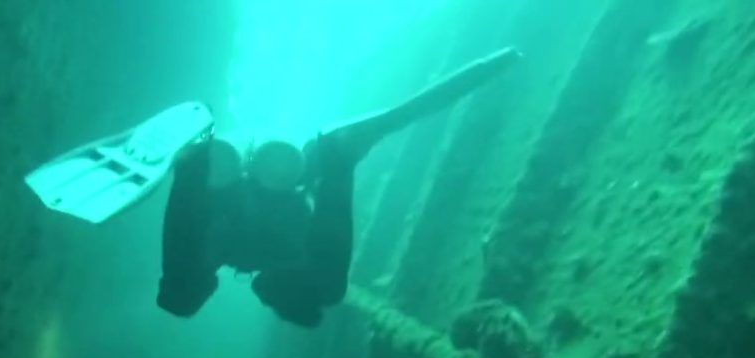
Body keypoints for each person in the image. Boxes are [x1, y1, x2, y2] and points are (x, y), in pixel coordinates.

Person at [157, 47, 522, 327]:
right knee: (181, 297)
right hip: (252, 209)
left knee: (183, 298)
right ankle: (330, 159)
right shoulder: (283, 265)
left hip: (245, 209)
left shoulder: (275, 262)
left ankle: (331, 161)